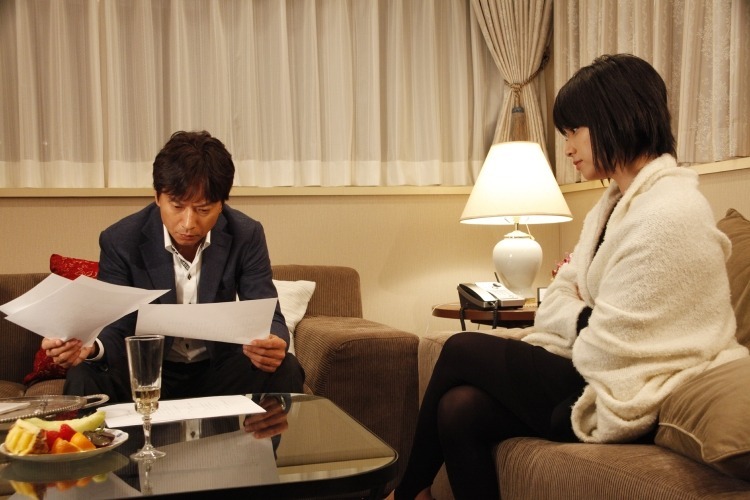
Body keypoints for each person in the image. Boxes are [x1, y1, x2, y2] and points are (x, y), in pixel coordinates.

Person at [391, 54, 749, 499]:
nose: (568, 148)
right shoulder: (615, 203)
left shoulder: (670, 213)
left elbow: (615, 342)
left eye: (573, 131)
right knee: (459, 409)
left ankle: (405, 493)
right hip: (597, 366)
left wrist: (576, 313)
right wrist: (580, 313)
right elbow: (561, 292)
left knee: (461, 347)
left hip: (631, 385)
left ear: (615, 117)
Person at [41, 130, 305, 403]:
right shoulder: (121, 239)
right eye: (177, 206)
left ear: (222, 204)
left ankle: (269, 431)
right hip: (147, 369)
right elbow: (116, 324)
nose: (188, 223)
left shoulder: (246, 234)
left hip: (217, 370)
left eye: (203, 209)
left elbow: (267, 312)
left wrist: (273, 342)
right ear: (158, 197)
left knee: (285, 368)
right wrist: (91, 347)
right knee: (84, 375)